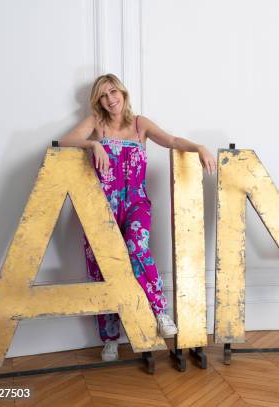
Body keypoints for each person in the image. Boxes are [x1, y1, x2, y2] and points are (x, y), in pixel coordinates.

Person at [59, 73, 216, 361]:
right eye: (104, 95)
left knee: (136, 249)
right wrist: (93, 144)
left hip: (135, 204)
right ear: (99, 101)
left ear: (123, 93)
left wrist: (198, 147)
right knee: (103, 267)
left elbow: (170, 140)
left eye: (114, 91)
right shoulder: (97, 123)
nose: (110, 99)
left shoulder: (139, 124)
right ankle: (110, 338)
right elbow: (65, 140)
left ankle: (160, 313)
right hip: (101, 207)